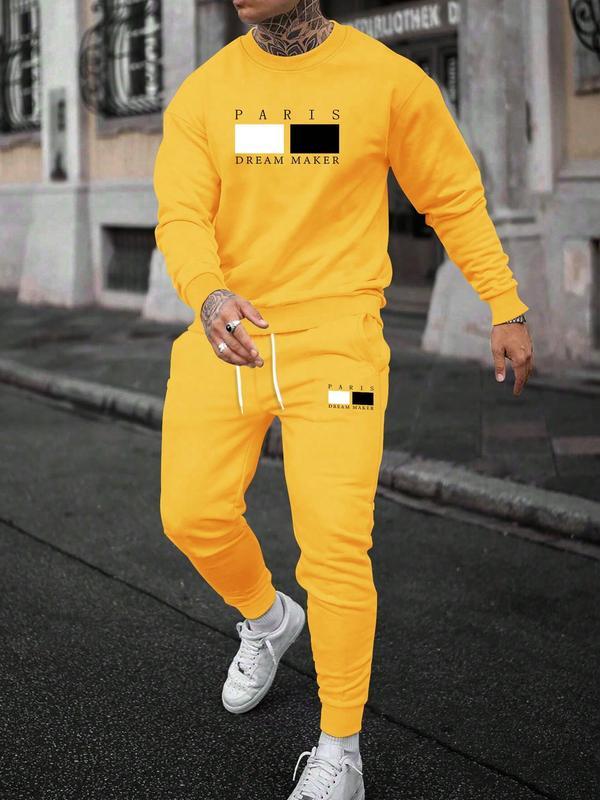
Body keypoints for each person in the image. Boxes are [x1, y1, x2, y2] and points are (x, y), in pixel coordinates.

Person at [152, 1, 534, 797]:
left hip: (339, 351)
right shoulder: (205, 93)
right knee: (190, 514)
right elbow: (182, 213)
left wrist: (505, 303)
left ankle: (340, 750)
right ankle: (268, 620)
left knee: (334, 547)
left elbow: (451, 195)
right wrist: (208, 293)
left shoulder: (387, 81)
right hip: (228, 336)